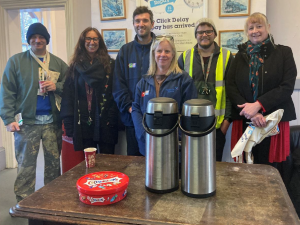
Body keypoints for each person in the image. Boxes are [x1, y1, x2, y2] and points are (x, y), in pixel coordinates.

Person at [0, 23, 68, 201]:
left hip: (52, 122)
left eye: (41, 37)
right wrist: (8, 119)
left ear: (47, 40)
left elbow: (71, 86)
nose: (37, 40)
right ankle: (24, 202)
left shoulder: (58, 63)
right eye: (33, 37)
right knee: (26, 165)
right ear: (28, 40)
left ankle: (51, 200)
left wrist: (56, 86)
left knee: (53, 164)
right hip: (26, 123)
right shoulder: (16, 62)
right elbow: (7, 92)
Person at [226, 13, 297, 175]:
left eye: (259, 26)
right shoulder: (239, 56)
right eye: (251, 28)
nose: (255, 31)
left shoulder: (284, 53)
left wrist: (258, 106)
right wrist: (251, 113)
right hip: (246, 119)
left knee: (271, 169)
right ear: (246, 32)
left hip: (272, 121)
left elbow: (286, 87)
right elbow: (231, 86)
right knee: (246, 170)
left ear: (268, 28)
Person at [178, 18, 233, 161]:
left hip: (217, 125)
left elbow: (233, 92)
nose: (204, 35)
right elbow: (177, 90)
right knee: (191, 163)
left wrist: (227, 122)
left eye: (208, 31)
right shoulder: (184, 57)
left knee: (215, 167)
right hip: (191, 124)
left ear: (215, 34)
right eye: (200, 32)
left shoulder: (227, 57)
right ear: (196, 35)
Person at [132, 35, 198, 156]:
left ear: (173, 54)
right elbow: (136, 108)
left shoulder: (184, 80)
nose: (163, 54)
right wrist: (142, 133)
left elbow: (189, 113)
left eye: (167, 51)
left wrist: (174, 136)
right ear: (153, 54)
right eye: (159, 51)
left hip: (174, 147)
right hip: (147, 144)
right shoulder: (143, 82)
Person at [60, 27, 118, 156]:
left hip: (106, 123)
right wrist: (69, 123)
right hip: (83, 123)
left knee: (108, 163)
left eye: (95, 39)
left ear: (100, 42)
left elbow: (115, 92)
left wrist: (112, 118)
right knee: (89, 164)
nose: (92, 42)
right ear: (82, 41)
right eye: (88, 38)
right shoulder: (75, 67)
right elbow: (68, 96)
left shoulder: (110, 65)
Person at [113, 6, 155, 156]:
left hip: (157, 119)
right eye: (137, 21)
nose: (141, 24)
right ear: (133, 24)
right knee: (134, 162)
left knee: (158, 160)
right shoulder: (125, 51)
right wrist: (131, 109)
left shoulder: (160, 49)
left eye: (145, 20)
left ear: (152, 23)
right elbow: (118, 85)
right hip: (132, 119)